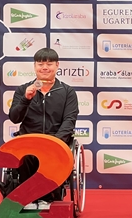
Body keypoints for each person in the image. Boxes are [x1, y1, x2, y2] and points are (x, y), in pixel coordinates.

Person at [7, 48, 79, 207]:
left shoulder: (67, 92)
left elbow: (69, 121)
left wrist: (55, 142)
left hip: (56, 141)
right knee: (25, 154)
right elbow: (14, 118)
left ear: (57, 65)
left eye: (49, 64)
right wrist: (26, 99)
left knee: (53, 154)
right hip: (29, 140)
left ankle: (48, 198)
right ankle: (28, 198)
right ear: (35, 66)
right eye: (40, 64)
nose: (45, 67)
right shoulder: (23, 90)